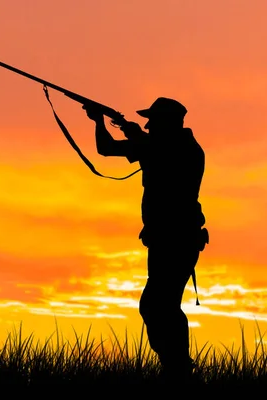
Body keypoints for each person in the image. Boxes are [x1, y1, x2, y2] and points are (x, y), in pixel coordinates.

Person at [83, 97, 209, 383]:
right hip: (169, 239)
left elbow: (116, 148)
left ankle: (177, 368)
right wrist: (111, 125)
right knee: (160, 305)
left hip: (176, 240)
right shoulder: (165, 146)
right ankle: (176, 367)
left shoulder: (175, 147)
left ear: (167, 122)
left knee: (158, 305)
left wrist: (104, 123)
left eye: (153, 120)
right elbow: (112, 148)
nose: (148, 125)